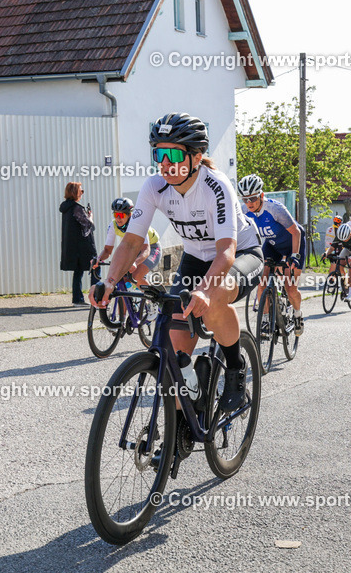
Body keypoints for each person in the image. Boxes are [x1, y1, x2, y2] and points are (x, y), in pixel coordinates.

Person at [92, 113, 263, 413]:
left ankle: (235, 369)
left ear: (196, 157)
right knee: (175, 357)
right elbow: (130, 242)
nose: (165, 163)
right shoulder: (154, 186)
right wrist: (109, 282)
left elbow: (226, 249)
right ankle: (185, 420)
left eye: (173, 155)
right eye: (159, 154)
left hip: (241, 254)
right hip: (195, 259)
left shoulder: (216, 186)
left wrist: (205, 291)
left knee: (214, 298)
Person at [238, 174, 306, 334]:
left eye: (253, 198)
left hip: (293, 244)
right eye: (245, 199)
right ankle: (265, 320)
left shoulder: (275, 209)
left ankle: (297, 315)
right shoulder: (243, 211)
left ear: (261, 195)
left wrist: (294, 256)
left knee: (290, 288)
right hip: (272, 245)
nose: (249, 203)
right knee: (262, 282)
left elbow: (296, 232)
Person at [93, 197, 160, 287]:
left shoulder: (138, 224)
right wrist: (99, 259)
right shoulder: (113, 226)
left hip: (152, 248)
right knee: (121, 277)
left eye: (121, 215)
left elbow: (146, 250)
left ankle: (154, 295)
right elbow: (107, 250)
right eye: (116, 214)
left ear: (129, 215)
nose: (118, 218)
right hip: (134, 248)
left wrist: (135, 262)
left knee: (136, 276)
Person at [61, 181, 98, 306]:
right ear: (74, 192)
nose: (82, 193)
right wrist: (90, 217)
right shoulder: (77, 208)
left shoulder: (66, 208)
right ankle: (96, 298)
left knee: (78, 271)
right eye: (80, 190)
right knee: (95, 267)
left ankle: (77, 299)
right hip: (83, 246)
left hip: (73, 246)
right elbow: (88, 225)